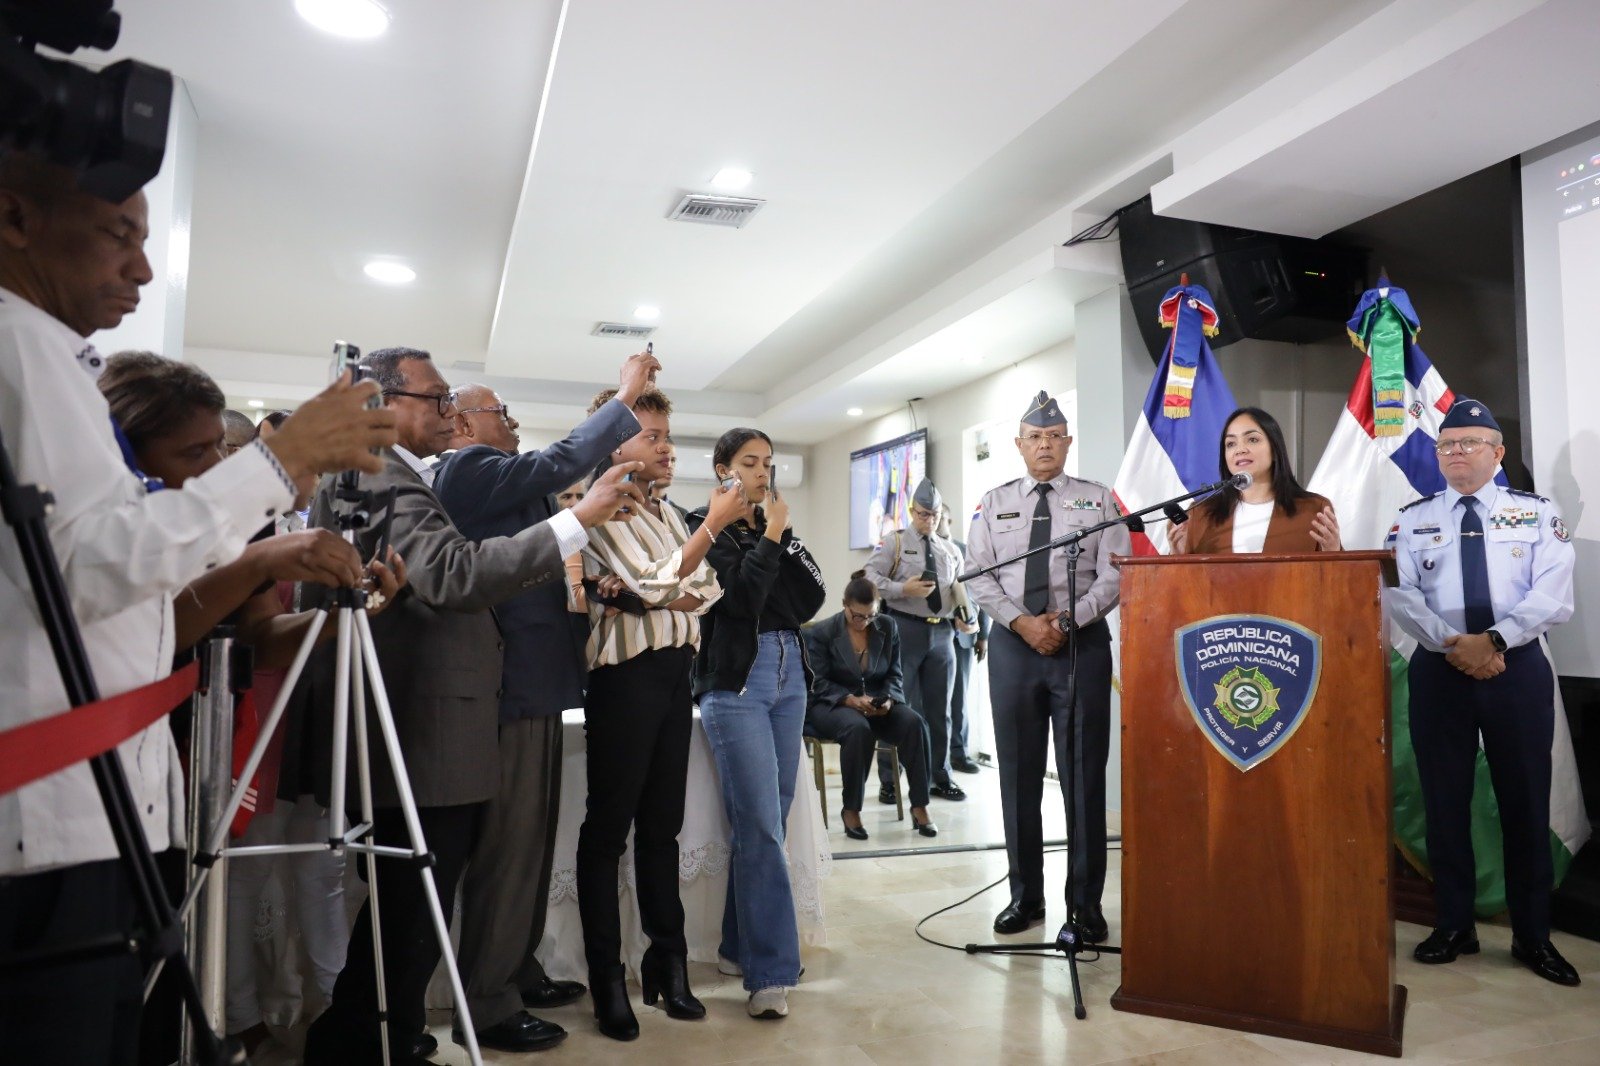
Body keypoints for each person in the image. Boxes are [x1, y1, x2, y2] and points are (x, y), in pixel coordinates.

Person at [0, 150, 395, 1065]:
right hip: (53, 814)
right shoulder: (20, 349)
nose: (142, 267)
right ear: (16, 219)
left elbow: (154, 615)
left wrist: (343, 604)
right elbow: (93, 570)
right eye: (118, 235)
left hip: (114, 804)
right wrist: (278, 468)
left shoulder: (49, 356)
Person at [301, 347, 645, 1065]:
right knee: (413, 896)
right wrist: (578, 519)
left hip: (424, 707)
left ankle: (383, 1033)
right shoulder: (379, 471)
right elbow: (455, 575)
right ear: (382, 401)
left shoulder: (393, 473)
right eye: (434, 397)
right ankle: (364, 1039)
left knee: (412, 896)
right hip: (422, 712)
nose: (447, 411)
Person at [97, 351, 404, 1057]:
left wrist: (345, 616)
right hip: (120, 747)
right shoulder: (122, 527)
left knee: (181, 914)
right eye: (195, 453)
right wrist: (260, 562)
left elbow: (261, 638)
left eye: (221, 451)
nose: (213, 468)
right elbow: (160, 628)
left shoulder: (244, 526)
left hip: (195, 746)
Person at [430, 351, 656, 1052]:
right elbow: (554, 465)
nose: (512, 421)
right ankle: (488, 1004)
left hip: (538, 683)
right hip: (512, 687)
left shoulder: (495, 478)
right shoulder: (466, 468)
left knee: (529, 847)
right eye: (499, 411)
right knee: (509, 850)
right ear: (462, 422)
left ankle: (516, 969)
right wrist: (625, 396)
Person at [1387, 398, 1579, 986]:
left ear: (1497, 453)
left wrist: (1492, 641)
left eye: (1470, 443)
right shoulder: (1412, 519)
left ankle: (1532, 935)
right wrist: (1457, 646)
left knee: (1525, 803)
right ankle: (1453, 925)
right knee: (1444, 802)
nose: (1456, 453)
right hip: (1440, 669)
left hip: (1515, 670)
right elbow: (1399, 593)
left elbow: (1552, 593)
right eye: (1447, 445)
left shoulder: (1536, 514)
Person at [575, 385, 741, 1041]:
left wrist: (660, 586)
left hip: (675, 674)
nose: (667, 449)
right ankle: (607, 980)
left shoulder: (667, 513)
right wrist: (701, 540)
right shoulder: (603, 504)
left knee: (662, 829)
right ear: (614, 443)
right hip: (625, 678)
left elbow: (704, 590)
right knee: (607, 831)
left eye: (667, 436)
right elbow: (655, 583)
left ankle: (666, 965)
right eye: (652, 436)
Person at [964, 390, 1127, 944]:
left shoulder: (1098, 500)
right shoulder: (993, 503)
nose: (1044, 445)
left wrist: (1069, 620)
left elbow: (1116, 571)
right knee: (1018, 777)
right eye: (1035, 437)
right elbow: (978, 573)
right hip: (1014, 648)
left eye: (1054, 437)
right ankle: (1024, 898)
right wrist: (1022, 623)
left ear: (1068, 442)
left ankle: (1084, 907)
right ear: (1019, 444)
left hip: (1081, 644)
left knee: (1082, 778)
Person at [688, 427, 828, 1021]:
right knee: (762, 825)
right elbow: (741, 602)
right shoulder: (704, 525)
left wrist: (774, 539)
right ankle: (770, 972)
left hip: (791, 670)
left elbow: (810, 599)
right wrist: (770, 539)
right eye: (750, 462)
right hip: (738, 681)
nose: (763, 473)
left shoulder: (772, 526)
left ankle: (736, 946)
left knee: (770, 819)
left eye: (768, 462)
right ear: (722, 468)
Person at [803, 572, 936, 839]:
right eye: (858, 616)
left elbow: (895, 674)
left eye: (871, 615)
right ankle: (851, 809)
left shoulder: (887, 626)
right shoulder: (822, 632)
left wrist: (888, 699)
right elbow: (816, 681)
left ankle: (920, 805)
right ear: (845, 605)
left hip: (875, 703)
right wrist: (849, 699)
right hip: (831, 704)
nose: (864, 622)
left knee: (914, 724)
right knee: (857, 729)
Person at [864, 478, 968, 803]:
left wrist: (967, 614)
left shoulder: (950, 550)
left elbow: (962, 588)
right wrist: (901, 589)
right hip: (903, 629)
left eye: (934, 515)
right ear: (912, 511)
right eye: (923, 514)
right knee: (896, 706)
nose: (929, 520)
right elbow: (868, 577)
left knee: (941, 710)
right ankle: (890, 781)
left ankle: (941, 776)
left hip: (942, 633)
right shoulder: (893, 543)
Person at [1169, 406, 1340, 554]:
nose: (1240, 449)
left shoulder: (1314, 510)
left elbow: (1337, 579)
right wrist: (1177, 557)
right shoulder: (1200, 514)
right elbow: (1184, 580)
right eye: (1231, 444)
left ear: (1275, 450)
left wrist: (1333, 554)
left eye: (1252, 439)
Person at [940, 503, 987, 774]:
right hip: (936, 633)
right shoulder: (923, 554)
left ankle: (959, 752)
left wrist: (983, 635)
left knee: (959, 698)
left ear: (949, 520)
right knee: (932, 701)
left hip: (964, 637)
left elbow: (982, 592)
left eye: (941, 518)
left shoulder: (966, 552)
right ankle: (934, 756)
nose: (936, 522)